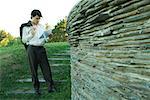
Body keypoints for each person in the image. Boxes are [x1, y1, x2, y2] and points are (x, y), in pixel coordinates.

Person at [21, 9, 55, 95]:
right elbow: (24, 40)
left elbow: (44, 39)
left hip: (41, 48)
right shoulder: (26, 27)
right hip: (31, 49)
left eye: (39, 18)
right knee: (34, 69)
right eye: (36, 18)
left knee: (46, 68)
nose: (38, 20)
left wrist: (48, 37)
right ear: (32, 17)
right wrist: (31, 34)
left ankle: (50, 87)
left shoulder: (41, 26)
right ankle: (36, 89)